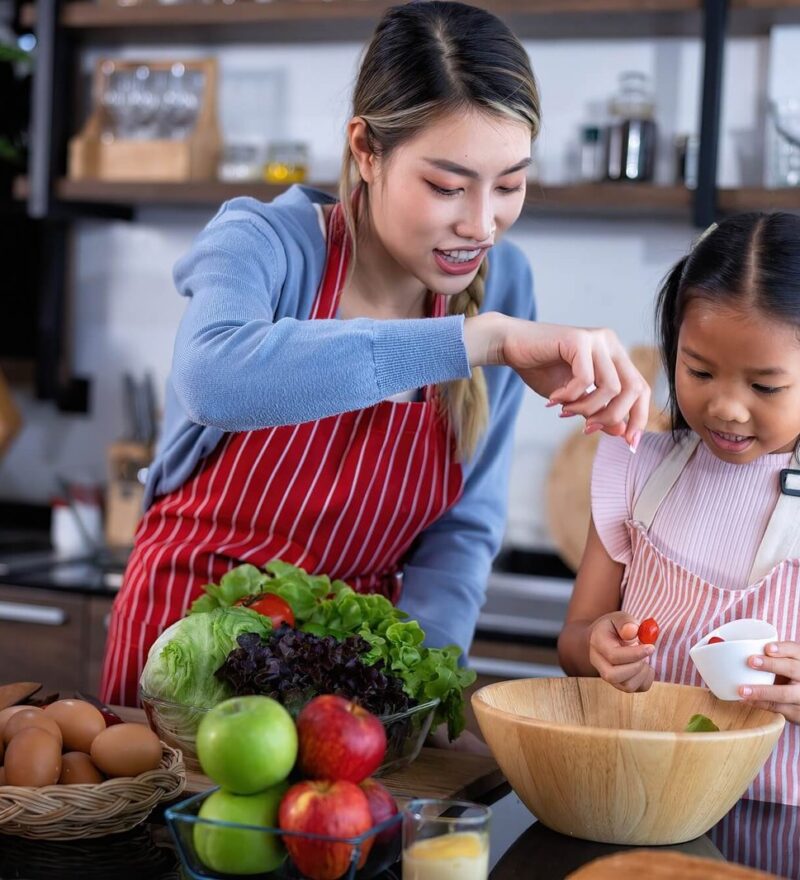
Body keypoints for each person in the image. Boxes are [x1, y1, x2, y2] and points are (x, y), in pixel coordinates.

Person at [101, 0, 648, 713]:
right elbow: (215, 375)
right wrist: (477, 340)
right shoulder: (266, 244)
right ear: (366, 150)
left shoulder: (505, 285)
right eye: (447, 186)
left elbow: (463, 531)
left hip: (351, 674)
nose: (481, 224)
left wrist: (414, 691)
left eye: (510, 185)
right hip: (186, 653)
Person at [558, 214, 800, 849]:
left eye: (765, 385)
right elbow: (575, 640)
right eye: (699, 371)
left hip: (778, 823)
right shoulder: (635, 468)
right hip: (634, 808)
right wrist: (597, 650)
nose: (725, 405)